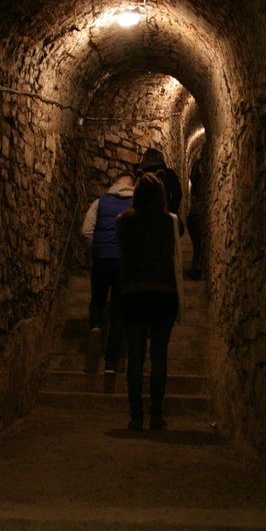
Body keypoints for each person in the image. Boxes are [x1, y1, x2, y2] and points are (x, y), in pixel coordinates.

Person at [115, 171, 184, 431]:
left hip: (133, 292)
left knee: (134, 356)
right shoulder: (170, 222)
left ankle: (135, 415)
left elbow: (123, 253)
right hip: (163, 293)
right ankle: (156, 414)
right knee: (159, 356)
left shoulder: (123, 221)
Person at [81, 169, 134, 372]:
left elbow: (86, 231)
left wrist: (95, 250)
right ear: (132, 185)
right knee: (118, 310)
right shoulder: (135, 204)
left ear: (115, 183)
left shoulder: (100, 202)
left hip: (101, 258)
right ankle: (111, 362)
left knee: (98, 299)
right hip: (124, 261)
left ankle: (95, 326)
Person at [136, 147, 183, 230]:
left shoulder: (139, 173)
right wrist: (171, 210)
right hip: (164, 215)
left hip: (143, 216)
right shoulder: (169, 173)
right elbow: (177, 194)